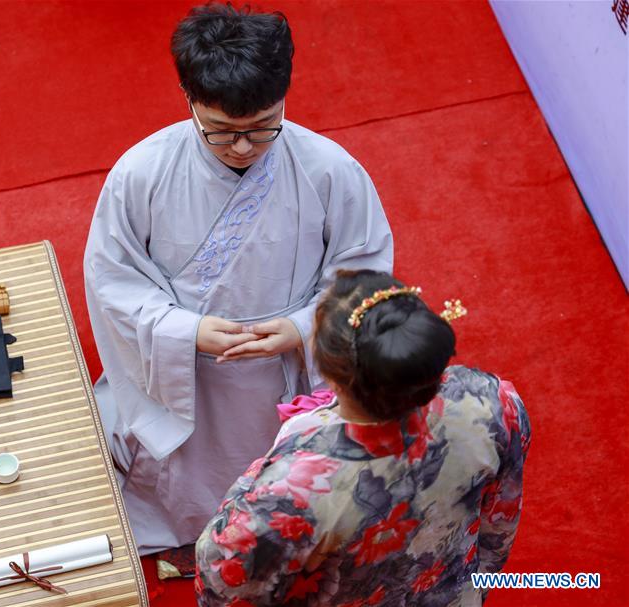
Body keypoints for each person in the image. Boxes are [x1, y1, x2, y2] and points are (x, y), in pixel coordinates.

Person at [83, 3, 393, 555]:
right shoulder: (141, 172)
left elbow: (364, 267)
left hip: (285, 365)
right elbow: (114, 277)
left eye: (262, 128)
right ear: (189, 101)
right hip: (183, 368)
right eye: (221, 132)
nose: (244, 147)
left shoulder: (330, 169)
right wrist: (183, 331)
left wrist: (303, 326)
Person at [195, 270, 531, 606]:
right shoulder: (490, 401)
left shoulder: (295, 486)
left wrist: (278, 455)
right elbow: (499, 518)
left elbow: (222, 581)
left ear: (333, 378)